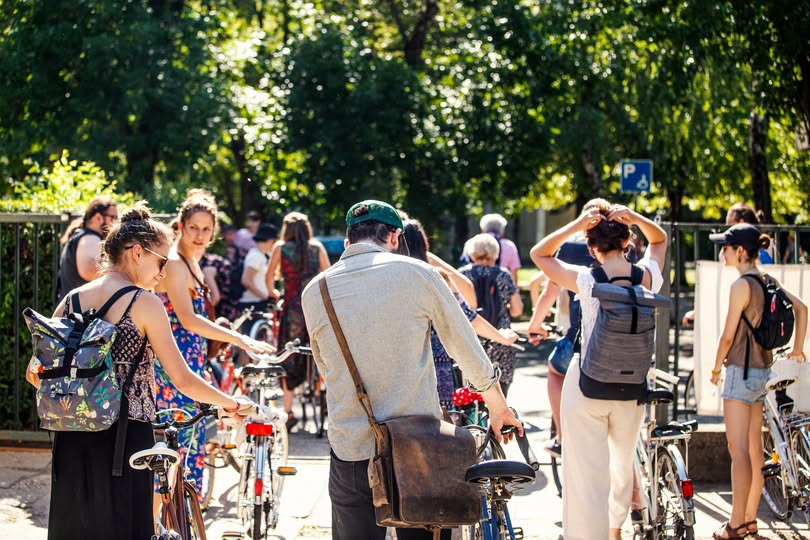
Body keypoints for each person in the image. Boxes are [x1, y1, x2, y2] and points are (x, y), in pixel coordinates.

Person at [27, 202, 255, 539]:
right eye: (161, 262)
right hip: (126, 437)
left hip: (70, 438)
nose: (163, 273)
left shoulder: (72, 299)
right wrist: (231, 403)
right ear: (137, 253)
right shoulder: (143, 302)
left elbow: (36, 373)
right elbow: (182, 378)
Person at [300, 199, 522, 540]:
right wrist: (498, 407)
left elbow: (325, 366)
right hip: (419, 448)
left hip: (352, 447)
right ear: (394, 237)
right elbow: (465, 347)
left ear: (347, 241)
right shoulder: (419, 274)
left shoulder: (315, 290)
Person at [530, 199, 668, 540]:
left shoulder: (587, 280)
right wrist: (635, 216)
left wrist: (577, 225)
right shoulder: (646, 278)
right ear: (628, 242)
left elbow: (539, 254)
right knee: (622, 466)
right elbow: (660, 239)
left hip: (588, 384)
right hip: (632, 387)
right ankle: (615, 531)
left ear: (592, 248)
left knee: (585, 474)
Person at [153, 190, 274, 493]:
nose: (200, 235)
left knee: (190, 449)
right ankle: (168, 517)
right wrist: (240, 339)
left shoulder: (193, 262)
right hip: (173, 367)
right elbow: (188, 319)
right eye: (193, 227)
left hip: (190, 363)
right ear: (180, 226)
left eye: (206, 229)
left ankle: (184, 515)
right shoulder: (175, 263)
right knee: (178, 454)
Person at [708, 223, 807, 539]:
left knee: (738, 451)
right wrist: (797, 350)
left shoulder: (741, 286)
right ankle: (750, 519)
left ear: (740, 251)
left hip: (740, 373)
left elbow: (727, 337)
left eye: (725, 247)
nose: (722, 253)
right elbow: (802, 309)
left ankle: (736, 523)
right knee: (754, 451)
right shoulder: (768, 281)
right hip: (763, 374)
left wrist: (715, 370)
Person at [403, 219, 518, 407]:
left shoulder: (384, 282)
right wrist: (502, 338)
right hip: (436, 370)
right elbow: (469, 317)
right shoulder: (436, 277)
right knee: (443, 422)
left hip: (398, 371)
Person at [527, 230, 597, 458]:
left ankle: (562, 437)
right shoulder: (627, 248)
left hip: (581, 339)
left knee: (555, 370)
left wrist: (535, 325)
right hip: (625, 343)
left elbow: (549, 294)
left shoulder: (570, 248)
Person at [266, 211, 330, 429]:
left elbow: (268, 278)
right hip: (313, 307)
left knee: (289, 356)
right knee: (320, 350)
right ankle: (324, 398)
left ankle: (288, 410)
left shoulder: (280, 248)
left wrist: (275, 294)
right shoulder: (317, 248)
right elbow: (329, 275)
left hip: (292, 308)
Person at [460, 233, 524, 396]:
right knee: (501, 390)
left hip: (470, 338)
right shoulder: (504, 275)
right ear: (496, 254)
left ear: (472, 253)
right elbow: (517, 310)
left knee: (468, 391)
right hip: (500, 338)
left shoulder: (462, 275)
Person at [57, 196, 118, 302]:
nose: (115, 223)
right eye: (113, 217)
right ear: (98, 218)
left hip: (72, 308)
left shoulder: (81, 236)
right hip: (80, 310)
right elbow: (89, 270)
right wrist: (122, 271)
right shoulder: (90, 238)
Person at [462, 213, 522, 284]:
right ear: (502, 231)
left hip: (472, 286)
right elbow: (513, 274)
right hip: (500, 287)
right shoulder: (509, 246)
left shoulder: (470, 243)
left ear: (482, 229)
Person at [238, 222, 279, 310]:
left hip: (259, 302)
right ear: (270, 240)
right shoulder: (255, 256)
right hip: (253, 304)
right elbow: (246, 281)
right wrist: (265, 297)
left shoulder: (263, 255)